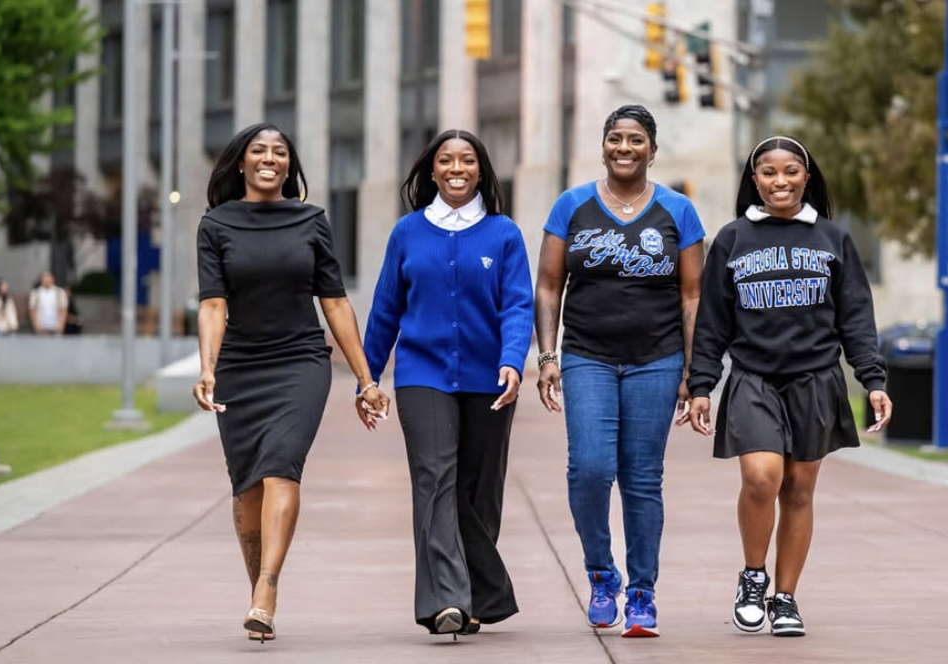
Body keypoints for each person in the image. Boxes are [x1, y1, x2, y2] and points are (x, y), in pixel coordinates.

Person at [685, 136, 893, 637]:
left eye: (791, 171)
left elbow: (856, 320)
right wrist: (701, 385)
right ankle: (753, 576)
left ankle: (786, 598)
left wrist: (873, 379)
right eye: (769, 172)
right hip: (754, 378)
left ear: (807, 177)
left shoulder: (833, 239)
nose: (781, 181)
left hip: (816, 379)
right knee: (761, 477)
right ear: (754, 180)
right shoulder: (733, 239)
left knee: (799, 490)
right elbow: (712, 322)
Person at [193, 122, 391, 643]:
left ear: (289, 164)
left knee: (282, 466)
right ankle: (257, 584)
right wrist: (208, 367)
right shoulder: (216, 225)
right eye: (259, 150)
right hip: (239, 366)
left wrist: (365, 380)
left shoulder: (311, 221)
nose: (269, 158)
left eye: (280, 152)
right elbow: (213, 303)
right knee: (247, 486)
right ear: (241, 162)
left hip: (299, 362)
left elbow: (335, 302)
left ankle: (268, 591)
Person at [534, 104, 705, 638]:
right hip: (587, 355)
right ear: (603, 146)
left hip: (657, 360)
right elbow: (548, 284)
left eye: (635, 139)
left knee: (641, 480)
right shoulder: (572, 205)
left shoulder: (679, 210)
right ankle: (601, 574)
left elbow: (693, 295)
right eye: (615, 138)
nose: (624, 148)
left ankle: (643, 594)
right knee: (588, 469)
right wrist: (547, 355)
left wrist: (692, 373)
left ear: (653, 149)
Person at [363, 130, 533, 637]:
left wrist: (513, 361)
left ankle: (479, 594)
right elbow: (385, 311)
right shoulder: (407, 233)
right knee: (434, 478)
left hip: (490, 378)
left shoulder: (504, 234)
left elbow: (518, 304)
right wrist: (367, 378)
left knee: (480, 489)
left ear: (481, 170)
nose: (456, 168)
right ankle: (445, 600)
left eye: (467, 160)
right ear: (431, 171)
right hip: (423, 374)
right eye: (445, 160)